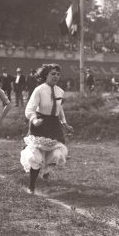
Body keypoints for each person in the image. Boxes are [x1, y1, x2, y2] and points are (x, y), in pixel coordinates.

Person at [20, 64, 74, 193]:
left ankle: (46, 170)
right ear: (45, 75)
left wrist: (65, 123)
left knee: (57, 153)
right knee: (36, 156)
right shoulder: (39, 90)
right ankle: (32, 185)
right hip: (40, 123)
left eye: (58, 74)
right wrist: (34, 120)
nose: (56, 76)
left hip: (54, 125)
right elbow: (30, 109)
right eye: (52, 74)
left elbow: (59, 109)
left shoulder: (60, 91)